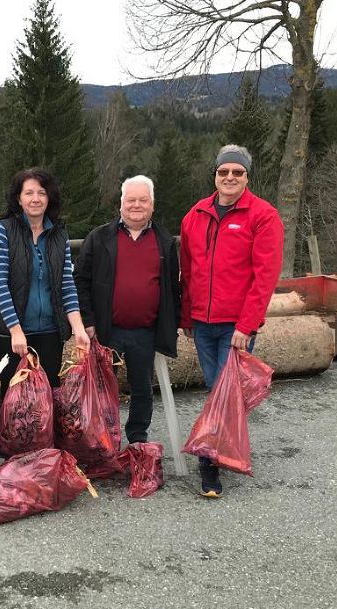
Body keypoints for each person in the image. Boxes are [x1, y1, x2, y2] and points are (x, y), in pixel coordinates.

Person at [180, 144, 284, 498]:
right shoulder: (195, 215)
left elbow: (265, 276)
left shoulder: (262, 215)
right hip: (202, 323)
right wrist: (186, 318)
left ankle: (209, 463)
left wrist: (247, 324)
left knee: (225, 395)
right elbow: (189, 271)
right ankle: (225, 447)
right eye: (224, 171)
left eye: (237, 172)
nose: (229, 177)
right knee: (217, 389)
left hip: (235, 325)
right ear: (215, 175)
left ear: (246, 177)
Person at [74, 175, 180, 447]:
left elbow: (172, 287)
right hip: (107, 331)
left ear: (152, 205)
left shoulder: (165, 242)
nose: (136, 205)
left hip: (145, 332)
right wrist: (87, 320)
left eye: (143, 200)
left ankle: (136, 440)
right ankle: (103, 441)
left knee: (143, 390)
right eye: (130, 200)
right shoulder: (99, 238)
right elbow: (80, 281)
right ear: (121, 204)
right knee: (101, 390)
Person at [0, 168, 90, 393]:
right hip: (11, 334)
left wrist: (78, 328)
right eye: (29, 193)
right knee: (15, 400)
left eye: (42, 193)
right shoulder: (3, 231)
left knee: (48, 395)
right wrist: (15, 330)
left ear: (49, 197)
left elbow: (67, 285)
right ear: (18, 198)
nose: (36, 199)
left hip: (50, 332)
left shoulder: (59, 235)